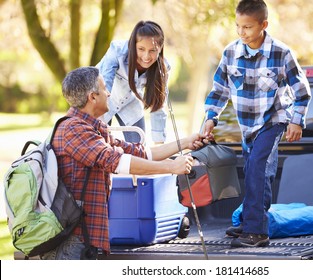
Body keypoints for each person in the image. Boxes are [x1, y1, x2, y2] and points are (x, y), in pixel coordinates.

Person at [41, 66, 207, 260]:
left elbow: (140, 153)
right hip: (72, 242)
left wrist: (185, 143)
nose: (109, 93)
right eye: (104, 88)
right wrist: (171, 167)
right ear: (92, 97)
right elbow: (118, 163)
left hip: (85, 239)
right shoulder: (73, 130)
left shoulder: (93, 129)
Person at [203, 0, 311, 247]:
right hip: (246, 126)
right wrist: (211, 117)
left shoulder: (281, 53)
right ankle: (249, 222)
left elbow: (302, 91)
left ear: (264, 25)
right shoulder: (231, 52)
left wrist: (297, 121)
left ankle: (256, 232)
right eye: (238, 26)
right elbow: (219, 91)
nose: (242, 32)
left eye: (248, 27)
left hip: (272, 121)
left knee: (259, 171)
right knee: (252, 172)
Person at [96, 20, 169, 144]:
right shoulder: (117, 51)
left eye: (152, 50)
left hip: (129, 101)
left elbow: (158, 105)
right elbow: (104, 86)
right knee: (99, 144)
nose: (146, 56)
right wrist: (99, 121)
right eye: (141, 49)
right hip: (101, 100)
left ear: (160, 49)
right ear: (132, 45)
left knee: (140, 145)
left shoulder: (162, 68)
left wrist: (159, 144)